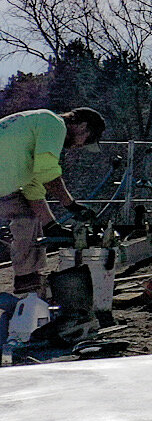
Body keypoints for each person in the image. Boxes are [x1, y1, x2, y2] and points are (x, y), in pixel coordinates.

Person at [1, 106, 105, 297]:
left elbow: (33, 187)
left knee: (28, 216)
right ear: (81, 125)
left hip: (4, 188)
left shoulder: (36, 125)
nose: (80, 146)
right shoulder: (54, 123)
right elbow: (47, 173)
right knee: (27, 218)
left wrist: (50, 225)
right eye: (87, 139)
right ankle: (27, 277)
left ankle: (26, 278)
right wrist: (71, 206)